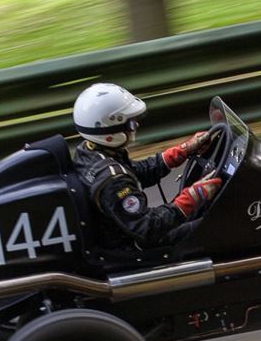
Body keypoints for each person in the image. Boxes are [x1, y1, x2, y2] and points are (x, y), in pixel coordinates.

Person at [72, 83, 222, 252]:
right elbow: (148, 228)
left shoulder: (89, 152)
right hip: (134, 247)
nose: (136, 126)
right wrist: (193, 196)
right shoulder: (112, 181)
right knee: (220, 223)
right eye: (132, 124)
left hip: (126, 231)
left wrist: (182, 151)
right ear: (111, 131)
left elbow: (133, 173)